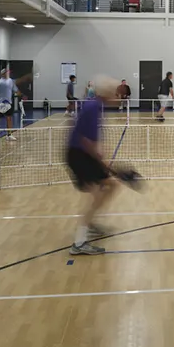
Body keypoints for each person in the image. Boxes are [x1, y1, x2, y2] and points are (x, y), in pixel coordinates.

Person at [66, 77, 121, 256]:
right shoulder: (93, 107)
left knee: (112, 185)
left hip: (83, 154)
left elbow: (90, 138)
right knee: (97, 194)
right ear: (106, 93)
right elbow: (86, 141)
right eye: (115, 93)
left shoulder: (95, 105)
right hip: (79, 155)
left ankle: (89, 224)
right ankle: (79, 242)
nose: (117, 97)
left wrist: (102, 160)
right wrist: (103, 163)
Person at [0, 68, 19, 141]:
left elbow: (15, 90)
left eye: (8, 72)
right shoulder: (0, 82)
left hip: (8, 102)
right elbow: (13, 89)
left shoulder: (10, 81)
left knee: (9, 118)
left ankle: (9, 135)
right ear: (2, 74)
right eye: (6, 73)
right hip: (0, 103)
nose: (7, 73)